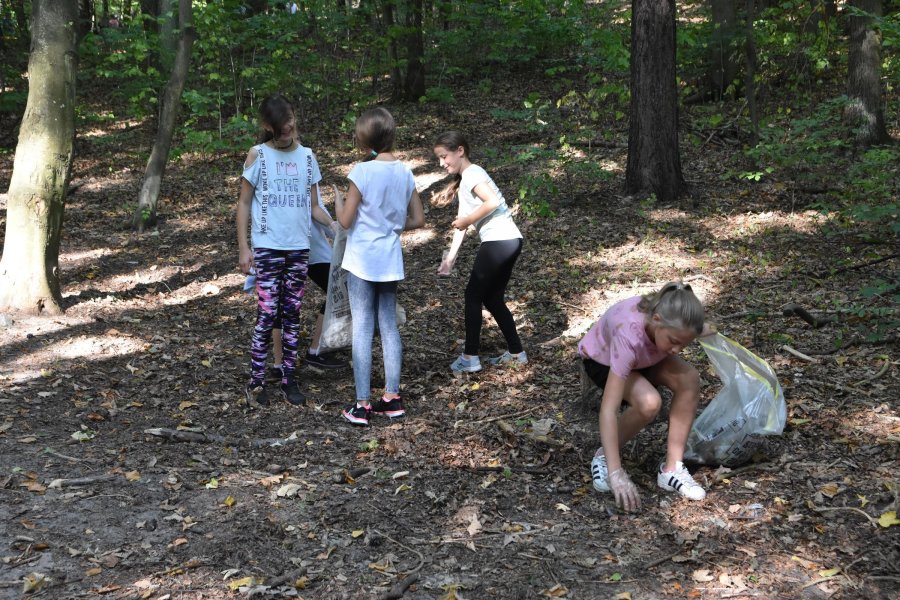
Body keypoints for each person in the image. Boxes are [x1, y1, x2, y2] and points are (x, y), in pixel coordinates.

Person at [579, 282, 715, 511]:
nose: (676, 351)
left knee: (689, 378)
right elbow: (609, 409)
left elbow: (685, 332)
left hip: (647, 355)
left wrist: (700, 332)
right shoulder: (628, 337)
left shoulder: (672, 323)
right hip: (604, 362)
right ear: (657, 320)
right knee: (649, 402)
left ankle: (672, 469)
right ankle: (604, 457)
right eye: (674, 342)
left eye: (683, 345)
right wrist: (616, 472)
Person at [237, 94, 335, 408]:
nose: (287, 130)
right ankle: (255, 380)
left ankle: (288, 378)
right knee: (267, 315)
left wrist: (340, 229)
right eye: (280, 127)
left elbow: (315, 207)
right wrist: (244, 247)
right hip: (267, 248)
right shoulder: (258, 155)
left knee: (292, 315)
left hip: (298, 248)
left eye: (289, 123)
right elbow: (243, 203)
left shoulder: (307, 156)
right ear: (268, 126)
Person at [337, 107, 425, 427]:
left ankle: (361, 404)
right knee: (388, 326)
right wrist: (391, 225)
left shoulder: (361, 172)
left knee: (362, 327)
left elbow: (346, 221)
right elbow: (418, 218)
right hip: (389, 259)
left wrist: (337, 206)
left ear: (364, 141)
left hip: (361, 260)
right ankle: (392, 397)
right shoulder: (404, 172)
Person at [433, 131, 526, 373]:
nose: (442, 163)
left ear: (460, 151)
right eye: (439, 159)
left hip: (499, 239)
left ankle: (470, 357)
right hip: (510, 240)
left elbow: (492, 202)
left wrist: (468, 221)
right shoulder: (466, 180)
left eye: (445, 157)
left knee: (472, 295)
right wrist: (450, 259)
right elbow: (462, 223)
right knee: (492, 298)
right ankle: (517, 353)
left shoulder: (473, 173)